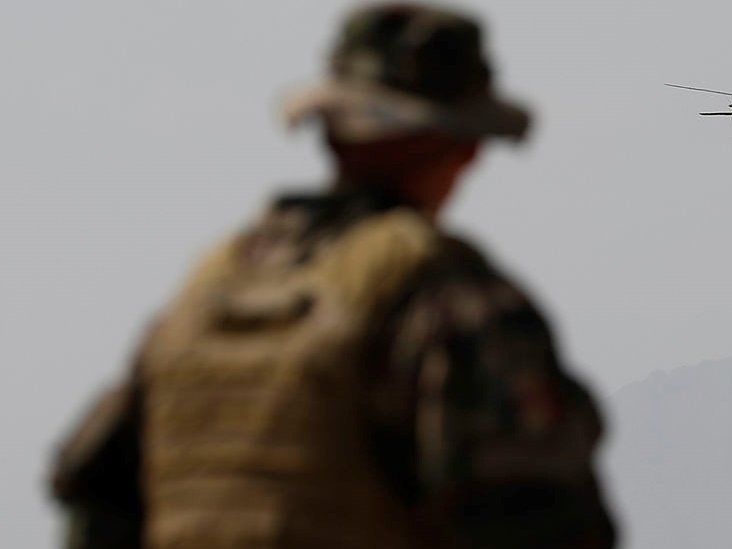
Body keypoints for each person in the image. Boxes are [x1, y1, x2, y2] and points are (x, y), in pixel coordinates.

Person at [51, 4, 616, 548]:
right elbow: (530, 511)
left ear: (329, 131)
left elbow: (96, 492)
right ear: (462, 146)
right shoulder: (443, 294)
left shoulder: (209, 289)